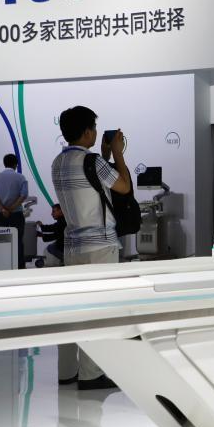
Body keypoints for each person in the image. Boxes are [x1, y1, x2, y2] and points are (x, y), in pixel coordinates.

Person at [51, 106, 132, 390]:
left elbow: (90, 185)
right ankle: (91, 374)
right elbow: (124, 187)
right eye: (94, 128)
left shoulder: (58, 162)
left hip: (73, 246)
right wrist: (118, 154)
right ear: (87, 132)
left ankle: (67, 372)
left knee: (74, 310)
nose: (96, 133)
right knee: (99, 310)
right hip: (100, 245)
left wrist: (104, 157)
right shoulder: (93, 161)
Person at [0, 153, 29, 269]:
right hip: (16, 214)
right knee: (18, 241)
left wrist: (3, 209)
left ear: (4, 164)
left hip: (1, 215)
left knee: (1, 241)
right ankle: (19, 267)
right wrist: (12, 208)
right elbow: (23, 195)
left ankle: (3, 266)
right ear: (16, 164)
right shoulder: (21, 177)